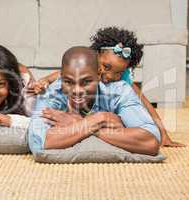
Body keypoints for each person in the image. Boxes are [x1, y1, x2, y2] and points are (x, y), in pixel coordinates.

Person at [28, 26, 184, 147]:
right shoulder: (79, 71)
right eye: (106, 67)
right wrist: (45, 81)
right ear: (96, 57)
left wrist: (162, 133)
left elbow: (143, 101)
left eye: (118, 73)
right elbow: (63, 75)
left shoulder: (120, 84)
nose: (108, 76)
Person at [28, 46, 161, 156]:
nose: (77, 90)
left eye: (86, 82)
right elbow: (39, 142)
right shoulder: (51, 93)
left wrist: (81, 124)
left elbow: (150, 141)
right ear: (61, 77)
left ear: (98, 75)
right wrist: (101, 120)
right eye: (68, 82)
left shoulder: (119, 91)